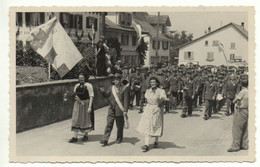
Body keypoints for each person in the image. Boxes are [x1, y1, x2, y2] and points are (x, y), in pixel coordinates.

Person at [136, 75, 167, 152]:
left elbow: (163, 97)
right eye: (151, 82)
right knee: (147, 125)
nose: (152, 83)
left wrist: (164, 99)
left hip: (156, 109)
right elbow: (145, 98)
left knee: (156, 125)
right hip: (148, 109)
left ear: (157, 83)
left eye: (154, 82)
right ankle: (146, 144)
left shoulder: (160, 91)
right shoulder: (148, 91)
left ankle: (156, 141)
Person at [99, 73, 130, 146]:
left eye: (117, 80)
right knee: (109, 123)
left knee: (119, 124)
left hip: (119, 108)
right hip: (112, 107)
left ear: (120, 80)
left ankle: (119, 138)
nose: (116, 81)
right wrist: (103, 91)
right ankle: (105, 139)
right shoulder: (111, 87)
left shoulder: (124, 88)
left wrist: (125, 110)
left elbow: (126, 99)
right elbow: (107, 95)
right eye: (115, 80)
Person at [69, 73, 94, 143]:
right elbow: (74, 95)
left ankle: (86, 135)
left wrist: (90, 107)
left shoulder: (89, 85)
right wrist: (76, 99)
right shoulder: (76, 86)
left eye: (82, 77)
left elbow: (91, 96)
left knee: (85, 119)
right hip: (77, 104)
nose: (81, 79)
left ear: (85, 78)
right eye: (79, 77)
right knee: (75, 119)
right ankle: (75, 137)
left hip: (86, 103)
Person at [227, 76, 248, 152]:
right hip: (247, 110)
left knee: (237, 129)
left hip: (240, 110)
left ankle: (235, 146)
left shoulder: (242, 92)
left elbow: (234, 101)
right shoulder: (249, 91)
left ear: (241, 84)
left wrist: (236, 97)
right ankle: (244, 144)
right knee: (245, 128)